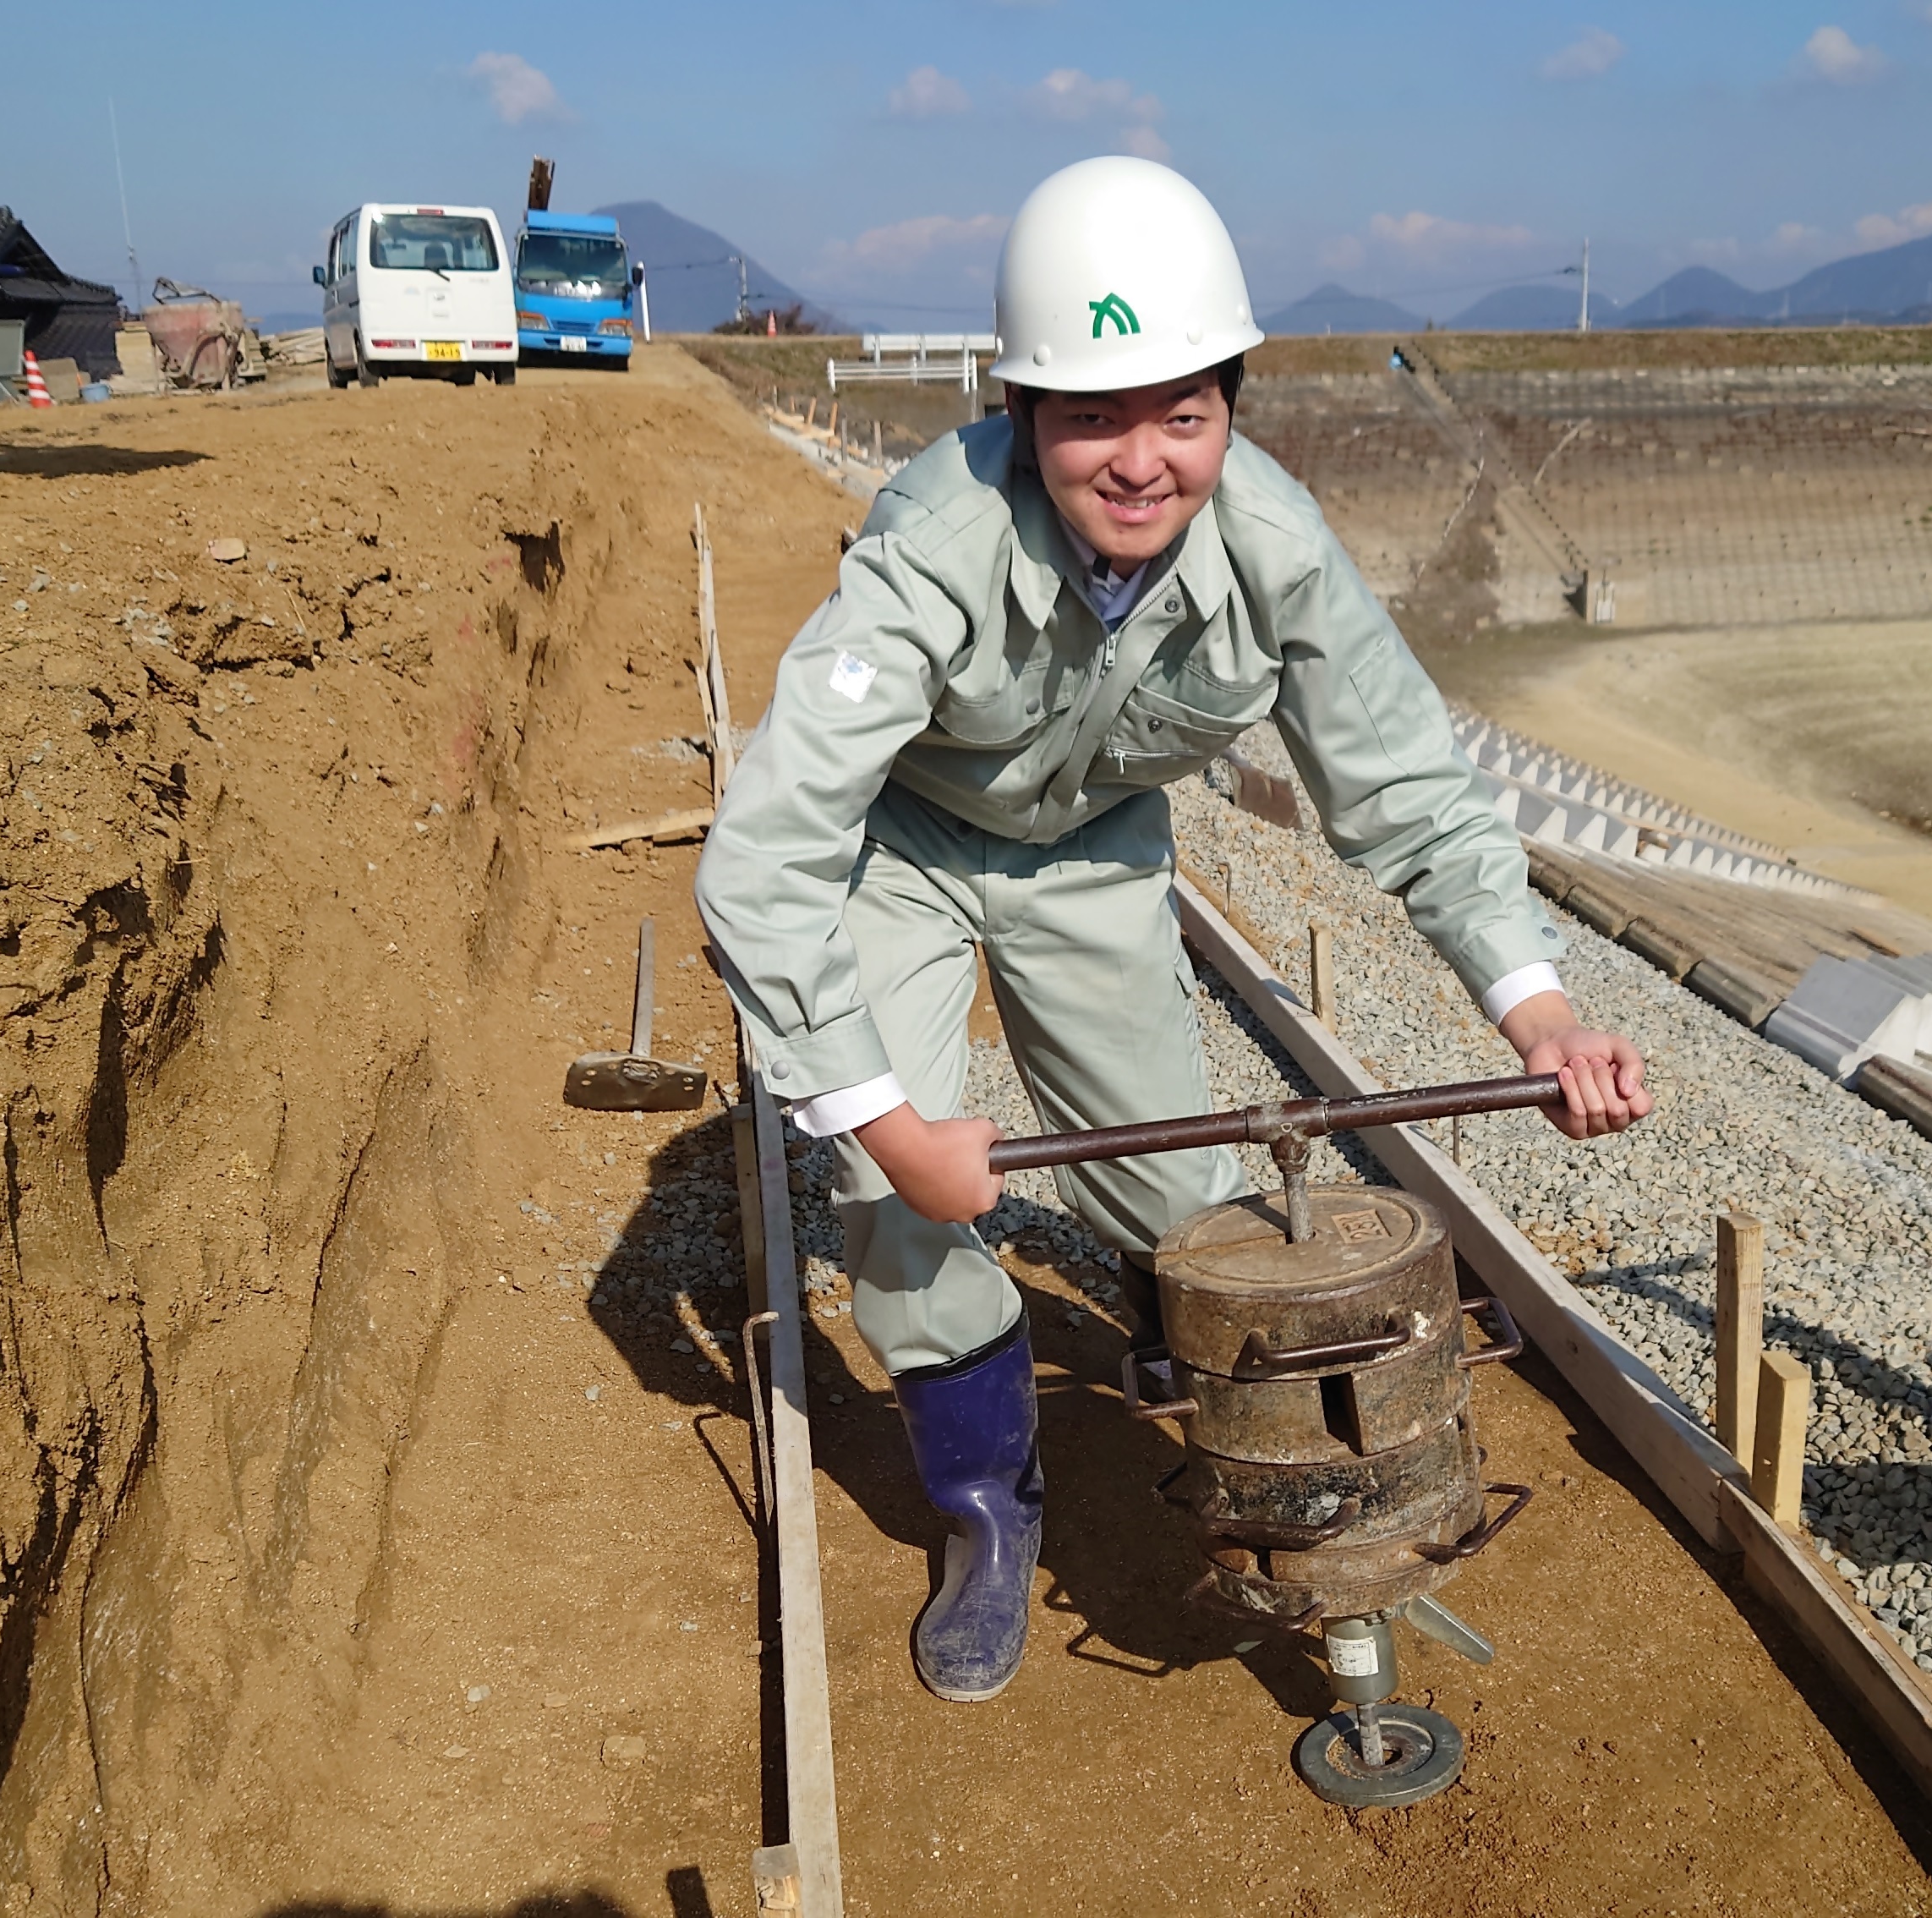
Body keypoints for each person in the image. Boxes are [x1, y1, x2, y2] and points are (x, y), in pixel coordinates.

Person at [695, 156, 1650, 1705]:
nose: (1141, 461)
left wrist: (1537, 1014)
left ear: (1232, 407)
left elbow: (1410, 790)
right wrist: (878, 1115)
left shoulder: (1276, 551)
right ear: (1020, 415)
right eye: (1091, 416)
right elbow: (768, 850)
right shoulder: (935, 544)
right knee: (899, 1205)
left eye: (1184, 415)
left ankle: (1204, 1385)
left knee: (1176, 1183)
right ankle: (985, 1514)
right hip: (904, 852)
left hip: (1088, 857)